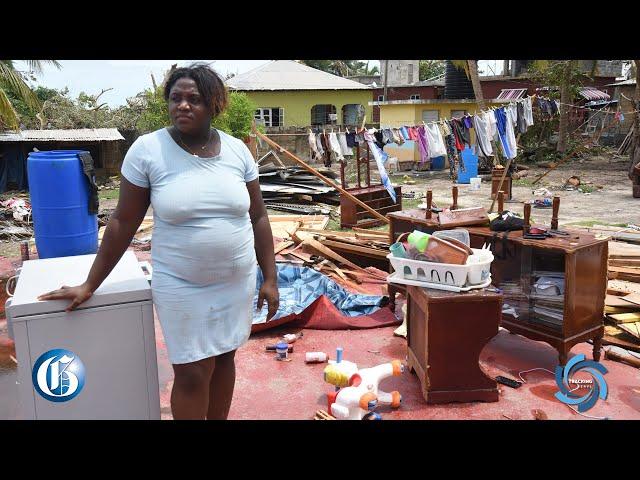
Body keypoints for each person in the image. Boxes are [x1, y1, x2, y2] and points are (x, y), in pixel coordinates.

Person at [37, 63, 280, 420]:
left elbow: (258, 216)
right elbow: (122, 221)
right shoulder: (149, 150)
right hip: (182, 283)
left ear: (214, 104)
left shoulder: (237, 152)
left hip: (235, 282)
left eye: (193, 99)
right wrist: (91, 283)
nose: (182, 105)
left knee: (226, 356)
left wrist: (270, 278)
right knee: (193, 372)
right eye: (175, 98)